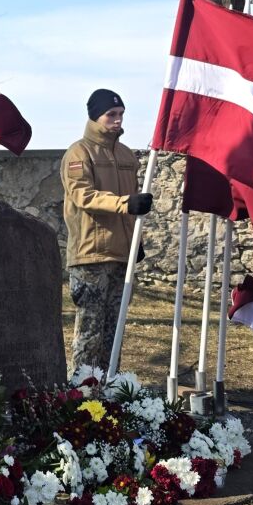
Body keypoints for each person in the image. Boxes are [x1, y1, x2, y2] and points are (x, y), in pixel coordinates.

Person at [61, 88, 153, 374]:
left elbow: (133, 203)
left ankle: (110, 387)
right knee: (90, 332)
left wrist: (136, 241)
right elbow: (83, 196)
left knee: (114, 331)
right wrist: (126, 203)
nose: (117, 119)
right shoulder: (79, 152)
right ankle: (83, 389)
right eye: (110, 114)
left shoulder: (126, 155)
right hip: (91, 255)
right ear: (95, 116)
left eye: (121, 113)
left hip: (121, 254)